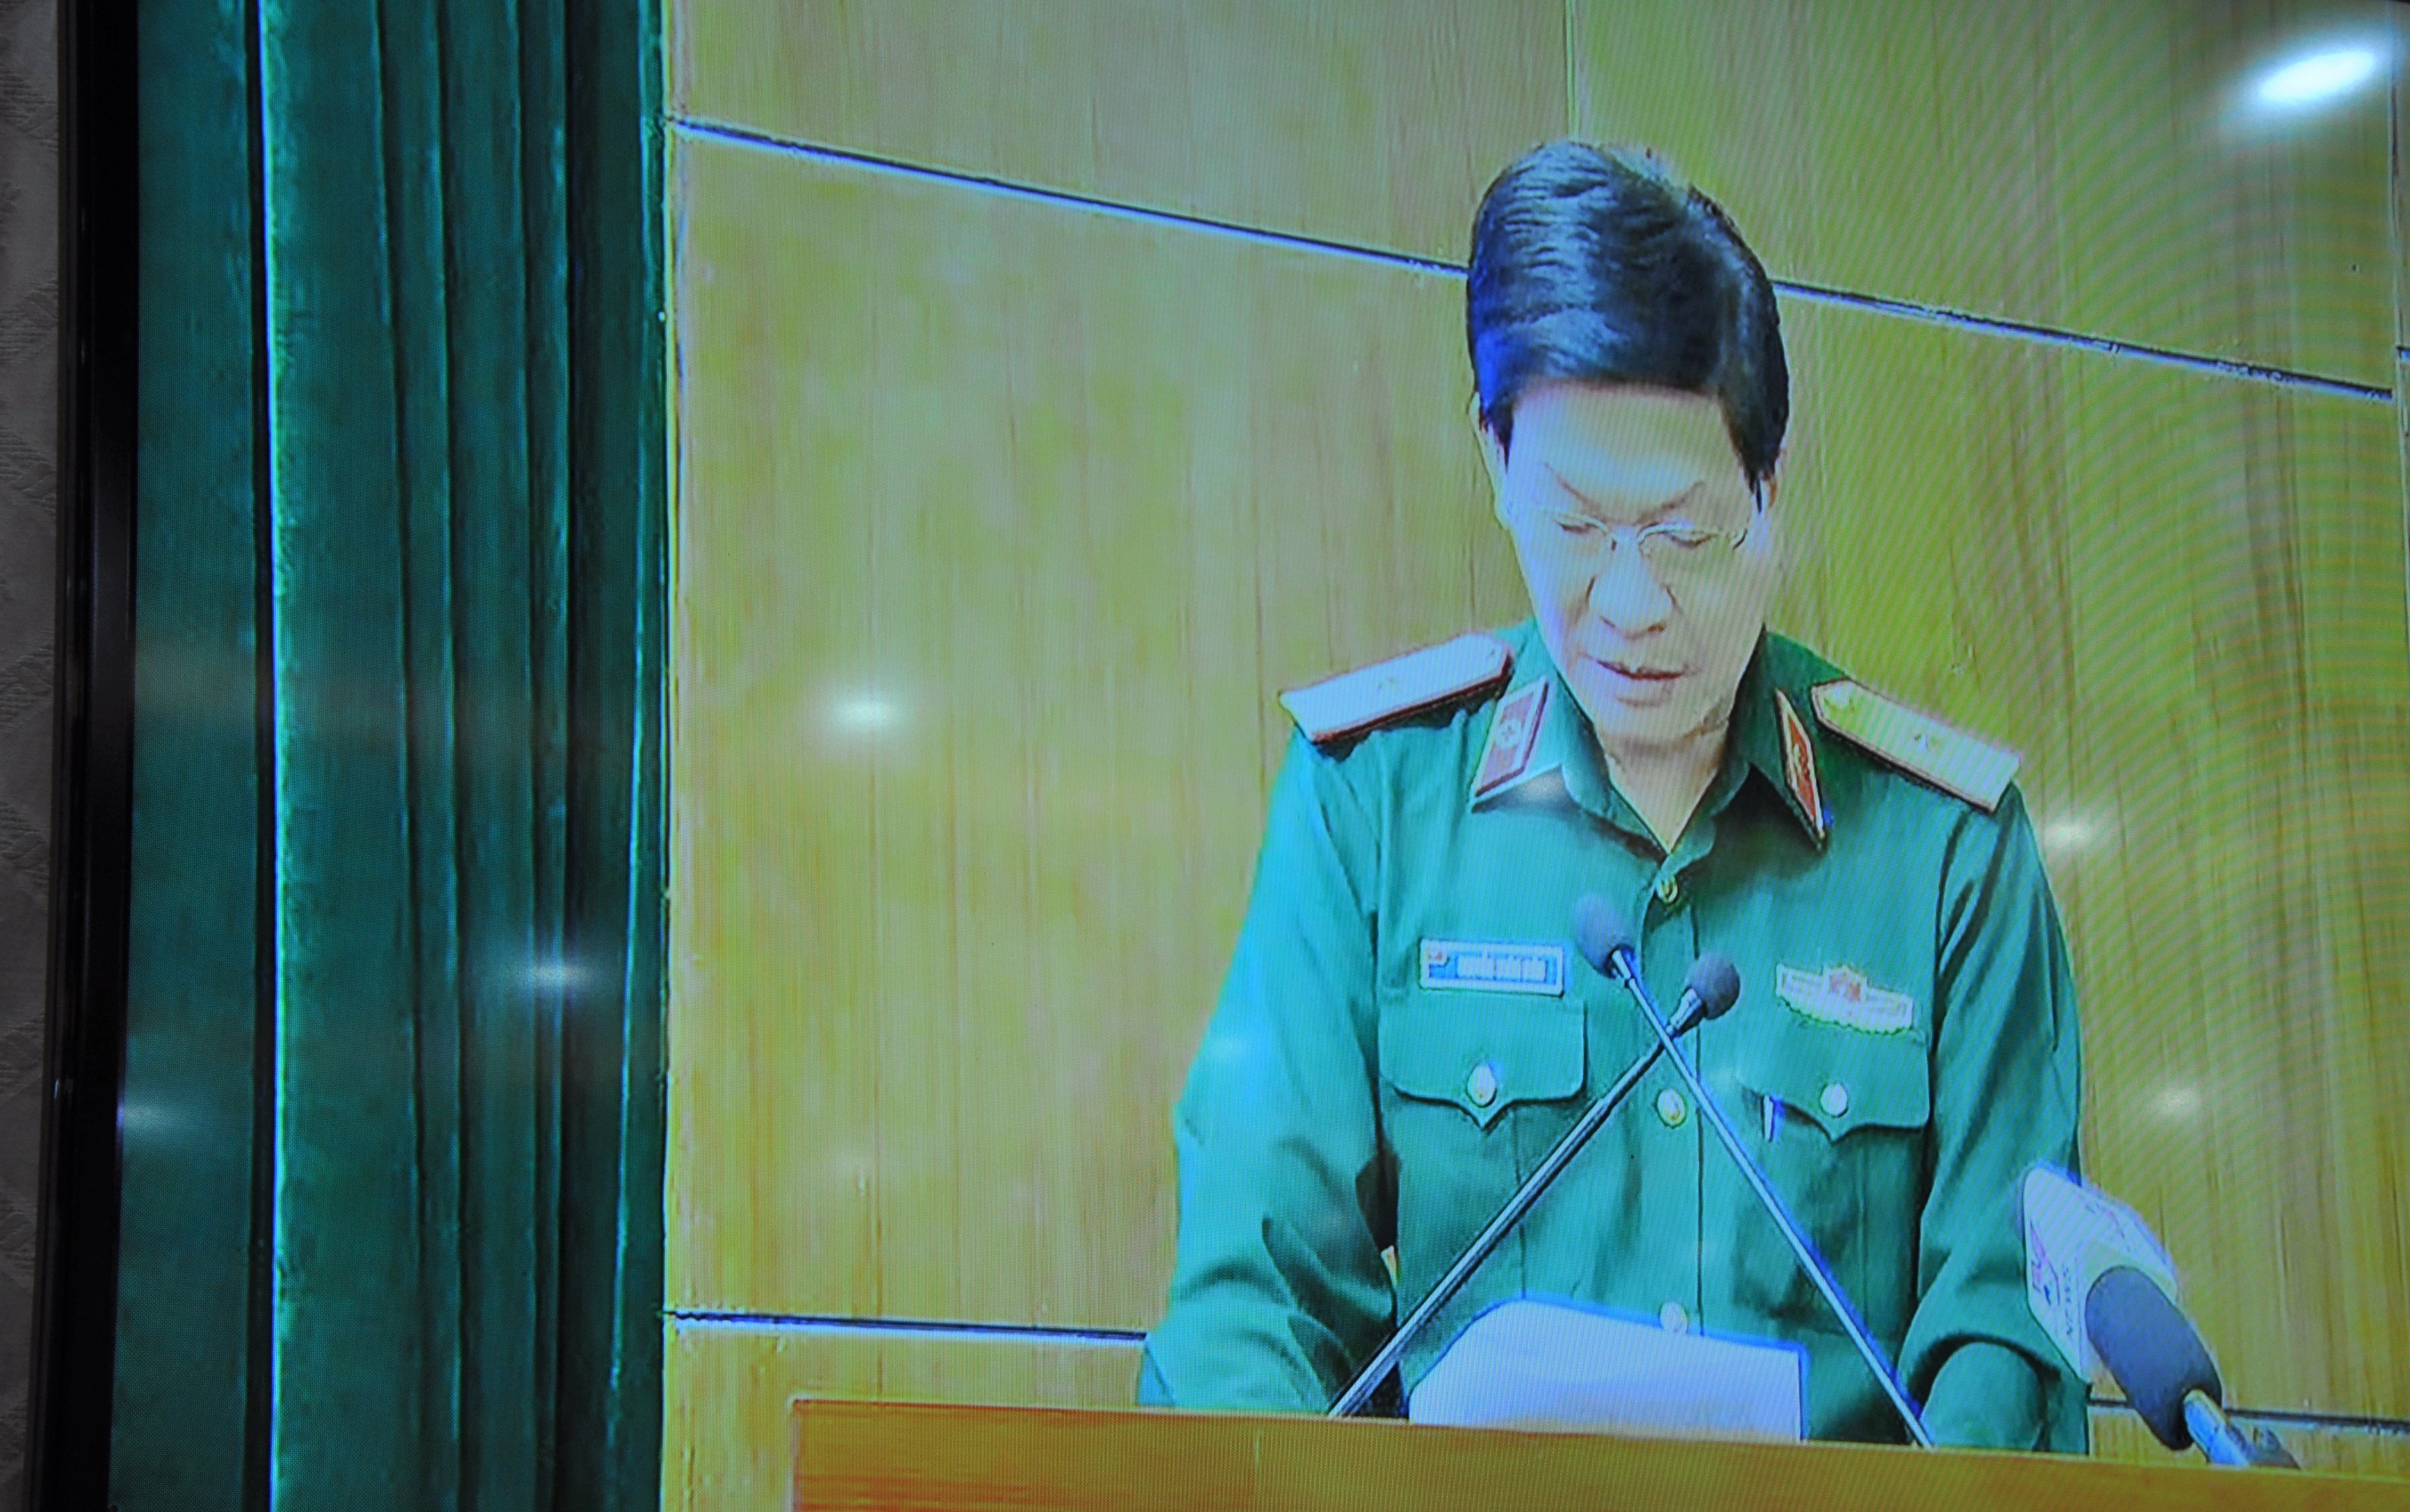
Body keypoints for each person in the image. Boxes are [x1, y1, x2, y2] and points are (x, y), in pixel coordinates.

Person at [1136, 140, 2087, 1451]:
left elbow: (2006, 1334)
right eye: (1576, 528)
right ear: (1495, 460)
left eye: (1686, 534)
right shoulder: (1375, 803)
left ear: (1770, 485)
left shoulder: (1943, 852)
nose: (1633, 606)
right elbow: (1254, 1294)